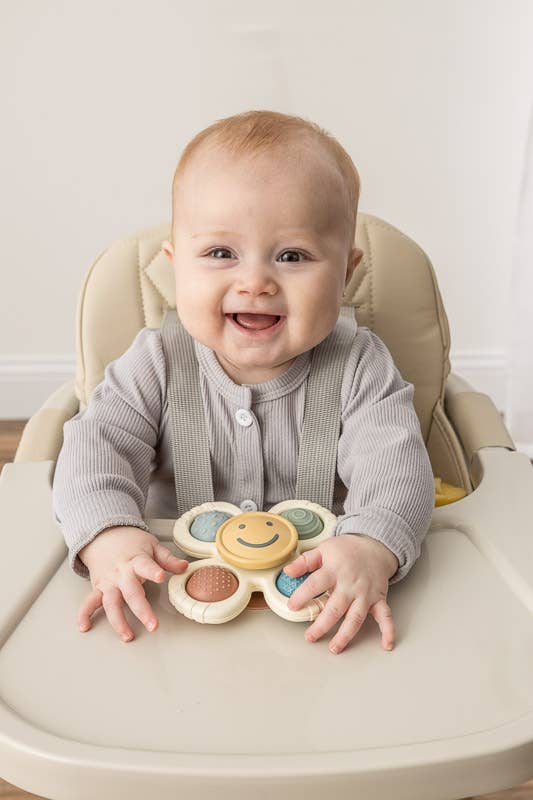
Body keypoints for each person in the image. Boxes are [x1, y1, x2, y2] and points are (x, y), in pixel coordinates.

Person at [52, 109, 435, 654]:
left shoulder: (360, 367)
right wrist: (108, 534)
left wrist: (372, 545)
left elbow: (398, 471)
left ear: (345, 274)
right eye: (219, 254)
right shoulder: (157, 360)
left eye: (292, 256)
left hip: (315, 607)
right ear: (175, 265)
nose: (255, 282)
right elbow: (95, 448)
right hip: (174, 604)